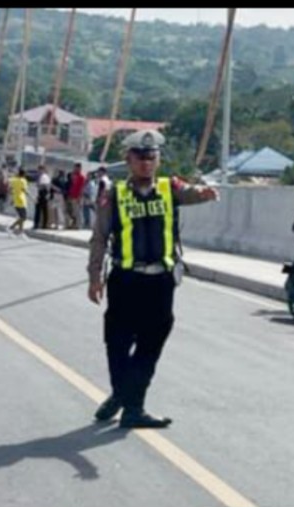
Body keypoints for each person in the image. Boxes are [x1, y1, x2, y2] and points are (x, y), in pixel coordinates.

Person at [87, 129, 219, 429]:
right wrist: (94, 277)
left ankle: (133, 406)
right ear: (128, 160)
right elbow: (99, 238)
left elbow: (193, 193)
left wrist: (207, 193)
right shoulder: (114, 194)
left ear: (158, 160)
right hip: (125, 280)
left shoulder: (170, 188)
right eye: (140, 157)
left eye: (151, 157)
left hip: (160, 281)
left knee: (151, 343)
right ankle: (122, 394)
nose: (146, 163)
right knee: (117, 342)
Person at [6, 168, 30, 238]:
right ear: (24, 174)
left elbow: (10, 190)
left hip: (16, 200)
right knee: (24, 217)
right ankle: (11, 227)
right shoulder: (23, 181)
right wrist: (33, 199)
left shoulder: (14, 180)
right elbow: (25, 190)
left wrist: (12, 198)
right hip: (21, 200)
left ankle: (21, 232)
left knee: (21, 217)